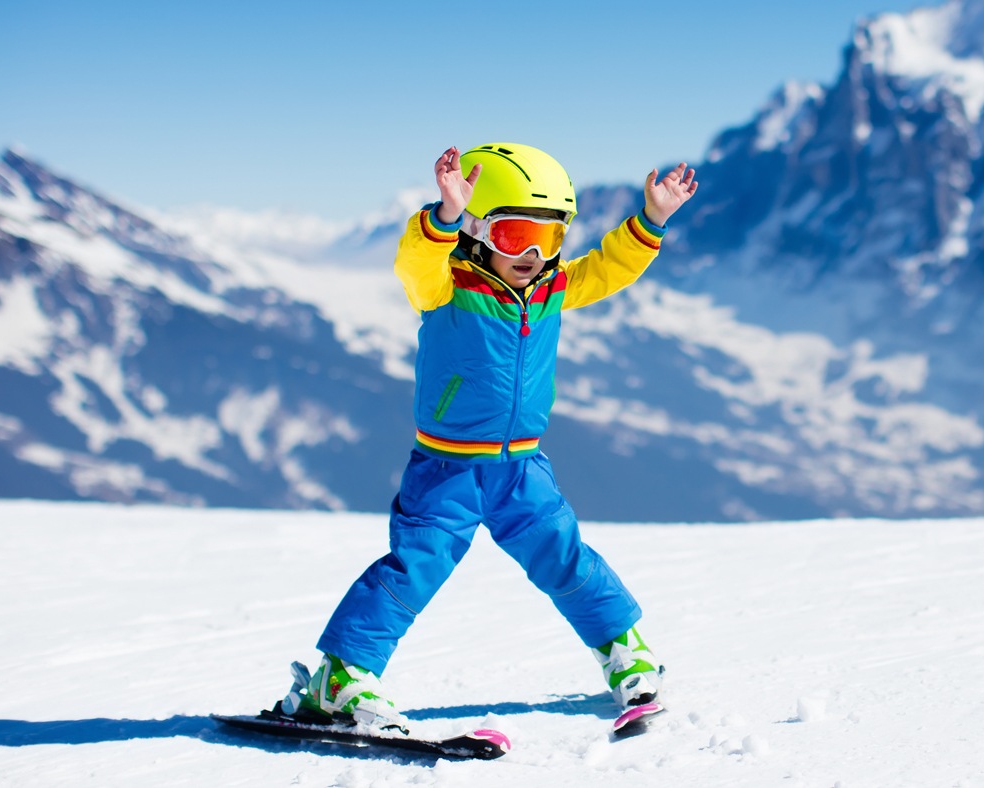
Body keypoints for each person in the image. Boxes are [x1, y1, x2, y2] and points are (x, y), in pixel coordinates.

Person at [282, 143, 698, 729]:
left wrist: (651, 221)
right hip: (448, 471)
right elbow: (413, 264)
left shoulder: (552, 289)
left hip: (522, 470)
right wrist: (443, 218)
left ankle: (624, 654)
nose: (532, 254)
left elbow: (607, 269)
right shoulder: (447, 287)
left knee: (566, 557)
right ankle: (340, 676)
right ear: (478, 232)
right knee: (413, 568)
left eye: (549, 239)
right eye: (513, 235)